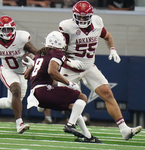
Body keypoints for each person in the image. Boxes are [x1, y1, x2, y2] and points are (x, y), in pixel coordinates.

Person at [58, 1, 142, 140]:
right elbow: (58, 51)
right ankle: (81, 128)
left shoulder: (97, 22)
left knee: (108, 93)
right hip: (70, 69)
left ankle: (124, 129)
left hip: (89, 67)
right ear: (74, 15)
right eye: (80, 17)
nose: (83, 20)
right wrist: (68, 61)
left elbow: (107, 36)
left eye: (86, 17)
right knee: (64, 101)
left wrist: (113, 49)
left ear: (91, 15)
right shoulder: (67, 27)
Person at [23, 31, 101, 143]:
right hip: (44, 90)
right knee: (82, 97)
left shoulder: (39, 54)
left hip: (36, 93)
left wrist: (31, 65)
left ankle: (88, 137)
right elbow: (51, 71)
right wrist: (69, 83)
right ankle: (70, 125)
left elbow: (26, 76)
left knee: (73, 108)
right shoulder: (57, 52)